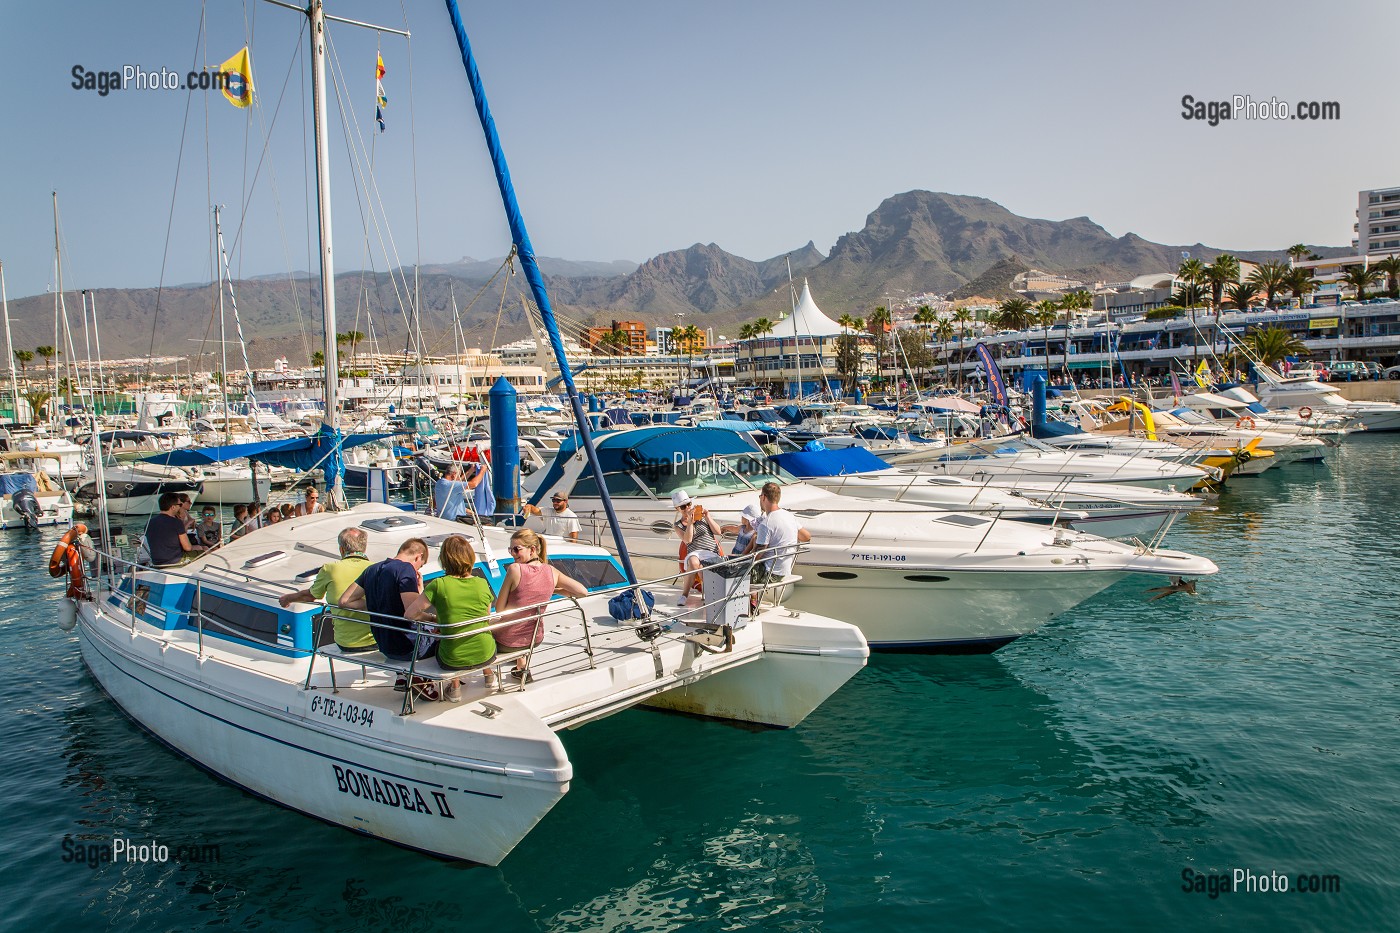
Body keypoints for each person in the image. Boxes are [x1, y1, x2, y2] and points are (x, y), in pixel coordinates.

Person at [403, 535, 495, 702]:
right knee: (476, 632)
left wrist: (434, 618)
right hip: (486, 653)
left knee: (441, 640)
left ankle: (455, 687)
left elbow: (410, 614)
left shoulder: (439, 584)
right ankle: (488, 676)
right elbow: (486, 616)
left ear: (444, 559)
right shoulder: (481, 583)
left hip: (452, 659)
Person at [492, 529, 586, 682]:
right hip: (535, 639)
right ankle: (521, 667)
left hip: (508, 641)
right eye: (510, 550)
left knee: (485, 627)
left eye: (516, 549)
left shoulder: (515, 569)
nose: (513, 554)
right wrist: (554, 589)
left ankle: (489, 675)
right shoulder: (551, 571)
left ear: (533, 549)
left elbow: (500, 611)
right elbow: (582, 592)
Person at [339, 538, 434, 675]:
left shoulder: (371, 569)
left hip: (385, 647)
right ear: (418, 556)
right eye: (420, 565)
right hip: (410, 647)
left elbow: (344, 601)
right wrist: (430, 613)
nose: (418, 570)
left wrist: (378, 602)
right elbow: (413, 613)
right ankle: (431, 683)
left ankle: (404, 677)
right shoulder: (406, 569)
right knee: (448, 638)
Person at [279, 527, 375, 653]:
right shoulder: (375, 568)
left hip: (347, 643)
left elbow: (310, 596)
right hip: (376, 641)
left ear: (342, 549)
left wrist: (288, 598)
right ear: (364, 548)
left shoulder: (330, 569)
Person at [753, 482, 810, 585]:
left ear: (764, 497)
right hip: (785, 571)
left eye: (760, 496)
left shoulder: (766, 524)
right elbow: (806, 537)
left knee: (729, 572)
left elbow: (756, 556)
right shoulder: (789, 516)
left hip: (769, 574)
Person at [672, 489, 722, 603]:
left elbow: (718, 531)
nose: (687, 508)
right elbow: (688, 540)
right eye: (683, 507)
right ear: (677, 509)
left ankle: (712, 596)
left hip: (710, 550)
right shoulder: (678, 525)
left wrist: (708, 516)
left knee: (702, 569)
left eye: (688, 504)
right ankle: (684, 595)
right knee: (694, 563)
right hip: (694, 551)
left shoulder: (703, 517)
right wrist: (690, 522)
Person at [144, 491, 205, 567]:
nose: (180, 506)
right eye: (180, 504)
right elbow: (188, 548)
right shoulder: (176, 523)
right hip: (175, 561)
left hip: (156, 563)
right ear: (173, 507)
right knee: (205, 551)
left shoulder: (149, 523)